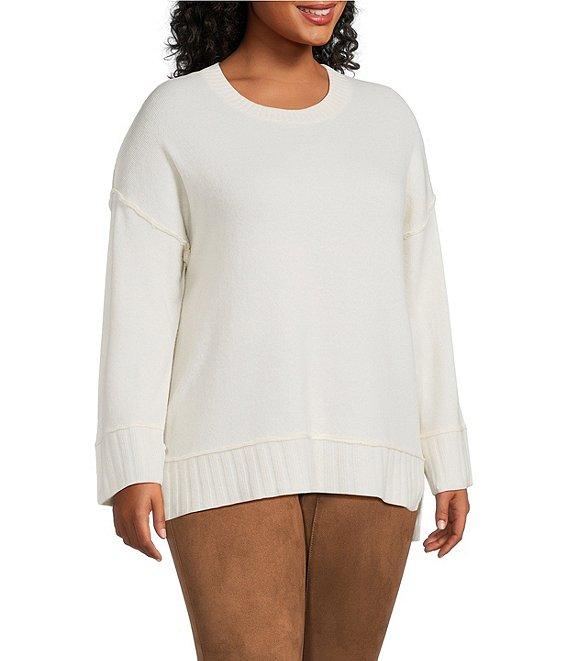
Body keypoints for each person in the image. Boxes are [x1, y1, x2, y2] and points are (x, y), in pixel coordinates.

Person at [96, 2, 472, 658]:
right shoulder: (176, 117)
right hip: (223, 457)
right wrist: (131, 460)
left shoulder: (388, 120)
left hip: (374, 461)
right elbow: (140, 302)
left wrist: (447, 456)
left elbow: (422, 295)